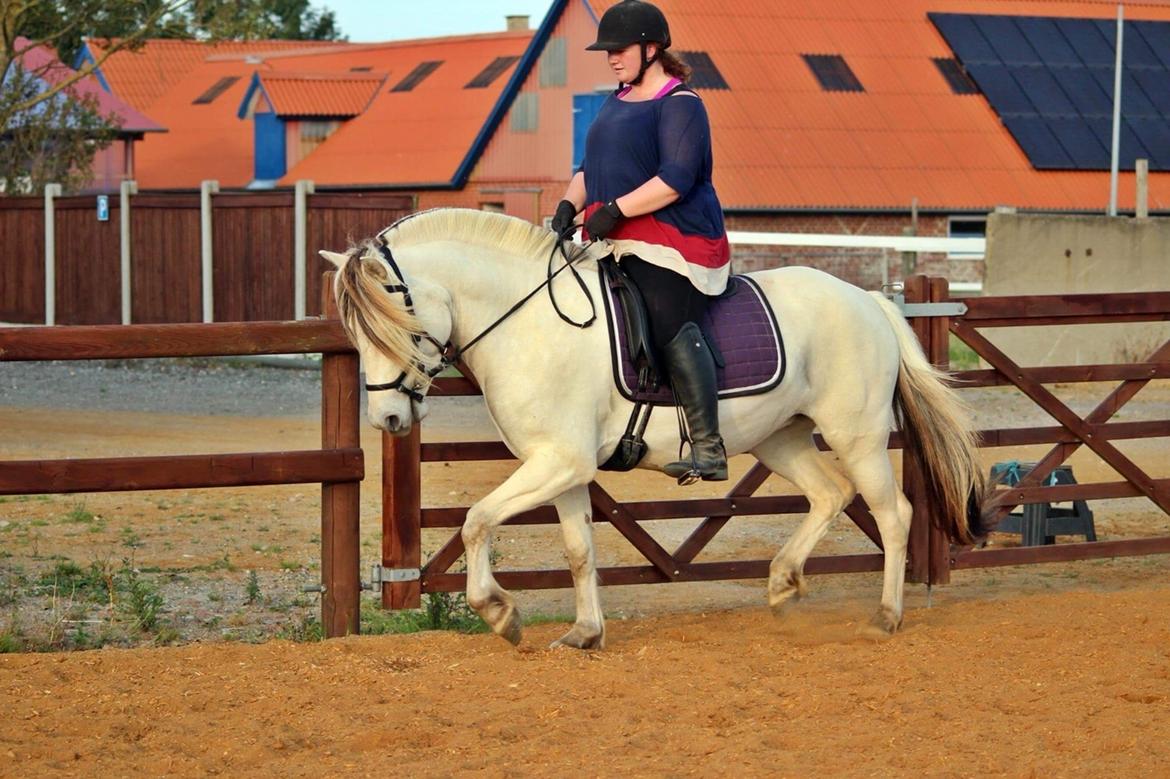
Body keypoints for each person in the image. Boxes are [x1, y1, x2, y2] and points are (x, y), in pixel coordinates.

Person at [550, 0, 731, 483]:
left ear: (652, 49)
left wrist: (614, 210)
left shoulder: (681, 105)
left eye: (619, 48)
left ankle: (709, 448)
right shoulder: (616, 100)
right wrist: (571, 203)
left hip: (675, 238)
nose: (611, 57)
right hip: (614, 233)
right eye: (607, 50)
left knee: (663, 312)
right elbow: (592, 167)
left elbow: (675, 179)